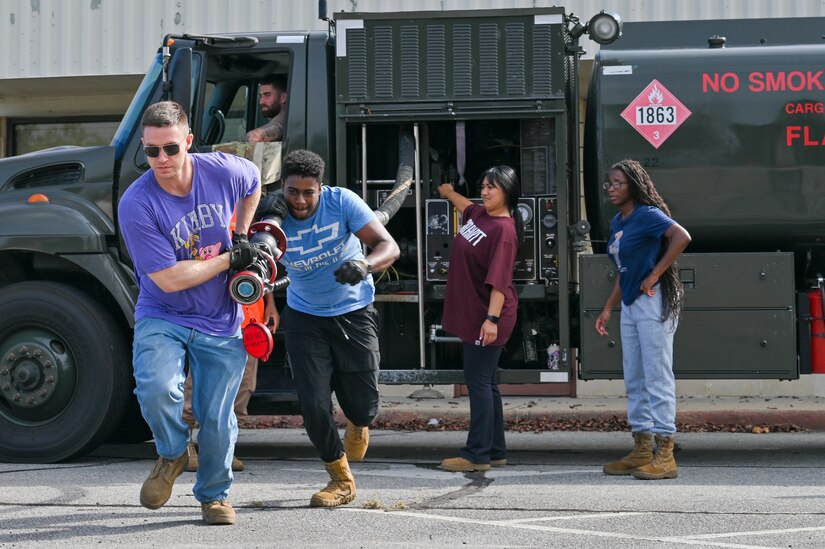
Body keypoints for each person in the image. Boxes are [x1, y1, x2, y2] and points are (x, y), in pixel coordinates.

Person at [118, 100, 265, 525]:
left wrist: (240, 231)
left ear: (188, 142)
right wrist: (230, 258)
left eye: (170, 149)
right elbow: (169, 279)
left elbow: (254, 182)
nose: (160, 160)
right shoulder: (137, 203)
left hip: (220, 317)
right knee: (155, 389)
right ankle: (173, 452)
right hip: (163, 313)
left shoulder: (223, 169)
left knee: (218, 418)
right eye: (150, 151)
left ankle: (214, 496)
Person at [255, 149, 400, 507]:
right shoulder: (273, 216)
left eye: (309, 192)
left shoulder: (342, 203)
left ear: (322, 188)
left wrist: (365, 265)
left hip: (353, 311)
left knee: (363, 407)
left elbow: (389, 246)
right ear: (283, 187)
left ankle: (358, 420)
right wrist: (270, 302)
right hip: (305, 316)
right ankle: (340, 479)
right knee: (314, 405)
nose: (300, 201)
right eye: (293, 192)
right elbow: (260, 262)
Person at [595, 159, 691, 480]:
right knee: (634, 376)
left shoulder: (647, 215)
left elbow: (681, 237)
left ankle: (665, 454)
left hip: (653, 301)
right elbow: (623, 271)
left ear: (633, 186)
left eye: (618, 183)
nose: (611, 188)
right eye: (609, 183)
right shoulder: (617, 222)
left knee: (656, 375)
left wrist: (654, 275)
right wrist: (609, 307)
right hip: (631, 304)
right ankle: (641, 447)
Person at [436, 166, 523, 472]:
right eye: (484, 186)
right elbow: (467, 206)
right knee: (487, 383)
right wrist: (447, 193)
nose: (485, 192)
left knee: (478, 383)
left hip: (489, 315)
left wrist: (491, 320)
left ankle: (476, 454)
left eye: (492, 188)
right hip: (477, 311)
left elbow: (499, 281)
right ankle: (495, 450)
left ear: (507, 193)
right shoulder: (482, 216)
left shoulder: (504, 231)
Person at [242, 75, 288, 143]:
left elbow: (257, 138)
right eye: (260, 96)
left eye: (267, 95)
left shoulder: (284, 121)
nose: (261, 102)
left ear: (283, 98)